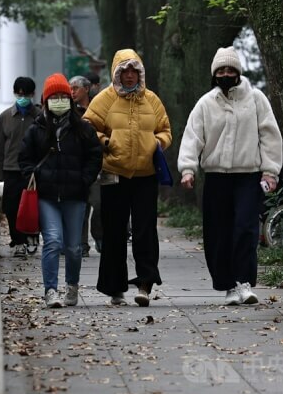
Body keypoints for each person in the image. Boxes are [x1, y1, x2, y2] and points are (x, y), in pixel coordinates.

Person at [177, 46, 283, 306]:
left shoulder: (256, 99)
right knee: (218, 233)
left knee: (245, 229)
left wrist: (270, 171)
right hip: (216, 177)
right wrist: (188, 169)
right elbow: (193, 137)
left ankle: (244, 282)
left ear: (238, 72)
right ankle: (227, 285)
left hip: (247, 176)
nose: (226, 74)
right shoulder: (206, 103)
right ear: (215, 74)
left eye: (230, 70)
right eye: (221, 70)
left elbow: (270, 136)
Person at [83, 49, 172, 307]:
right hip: (114, 173)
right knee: (114, 231)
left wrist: (157, 143)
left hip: (146, 175)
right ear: (116, 73)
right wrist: (105, 141)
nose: (130, 76)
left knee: (145, 230)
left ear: (140, 73)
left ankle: (145, 284)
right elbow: (88, 126)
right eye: (124, 71)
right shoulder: (104, 99)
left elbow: (166, 129)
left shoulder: (152, 100)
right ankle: (115, 288)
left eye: (134, 71)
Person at [19, 73, 102, 308]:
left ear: (69, 99)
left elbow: (95, 155)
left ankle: (72, 286)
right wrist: (34, 176)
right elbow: (24, 158)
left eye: (62, 96)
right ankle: (51, 290)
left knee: (74, 247)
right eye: (53, 97)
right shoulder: (37, 129)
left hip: (74, 195)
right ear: (46, 100)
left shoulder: (83, 128)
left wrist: (85, 179)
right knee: (53, 241)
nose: (58, 100)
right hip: (46, 195)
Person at [0, 76, 41, 258]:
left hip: (33, 170)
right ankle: (18, 241)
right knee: (11, 207)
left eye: (26, 94)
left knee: (33, 207)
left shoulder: (39, 116)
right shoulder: (5, 117)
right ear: (15, 93)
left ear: (32, 94)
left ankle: (32, 236)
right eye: (19, 93)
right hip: (11, 168)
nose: (22, 97)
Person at [69, 75, 102, 257]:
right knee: (80, 207)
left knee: (99, 203)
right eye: (70, 88)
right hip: (76, 165)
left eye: (75, 88)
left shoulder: (99, 108)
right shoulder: (69, 111)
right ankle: (81, 244)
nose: (72, 92)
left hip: (97, 164)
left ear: (87, 89)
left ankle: (99, 235)